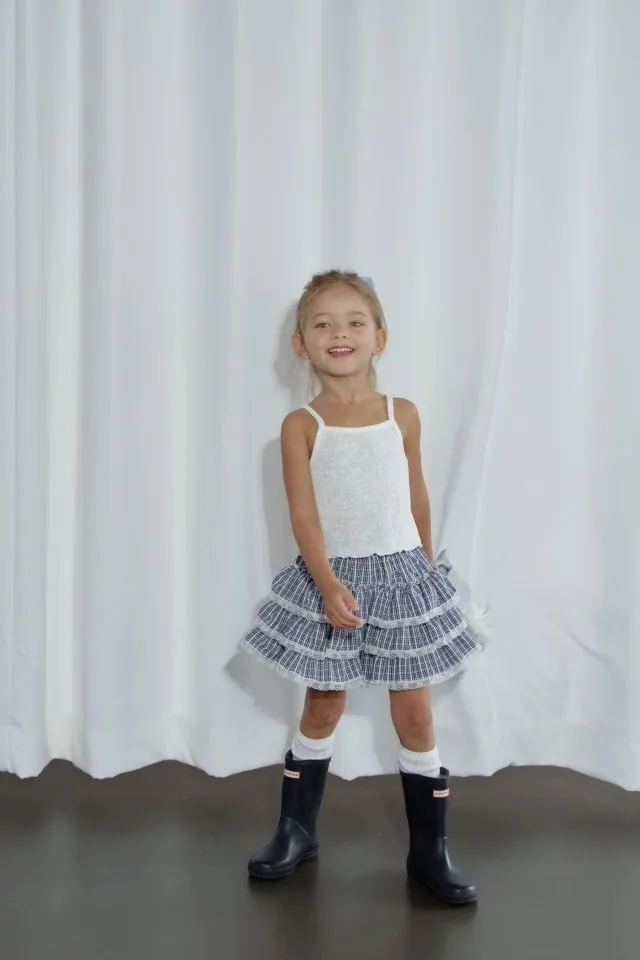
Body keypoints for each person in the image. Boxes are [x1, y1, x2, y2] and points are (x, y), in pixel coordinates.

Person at [242, 270, 481, 905]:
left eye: (354, 321)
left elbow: (416, 495)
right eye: (322, 324)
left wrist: (425, 571)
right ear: (301, 344)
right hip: (335, 579)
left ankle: (430, 849)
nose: (339, 333)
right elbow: (303, 517)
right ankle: (296, 830)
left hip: (403, 576)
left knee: (415, 710)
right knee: (323, 703)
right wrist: (326, 584)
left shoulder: (402, 414)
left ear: (380, 336)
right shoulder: (301, 425)